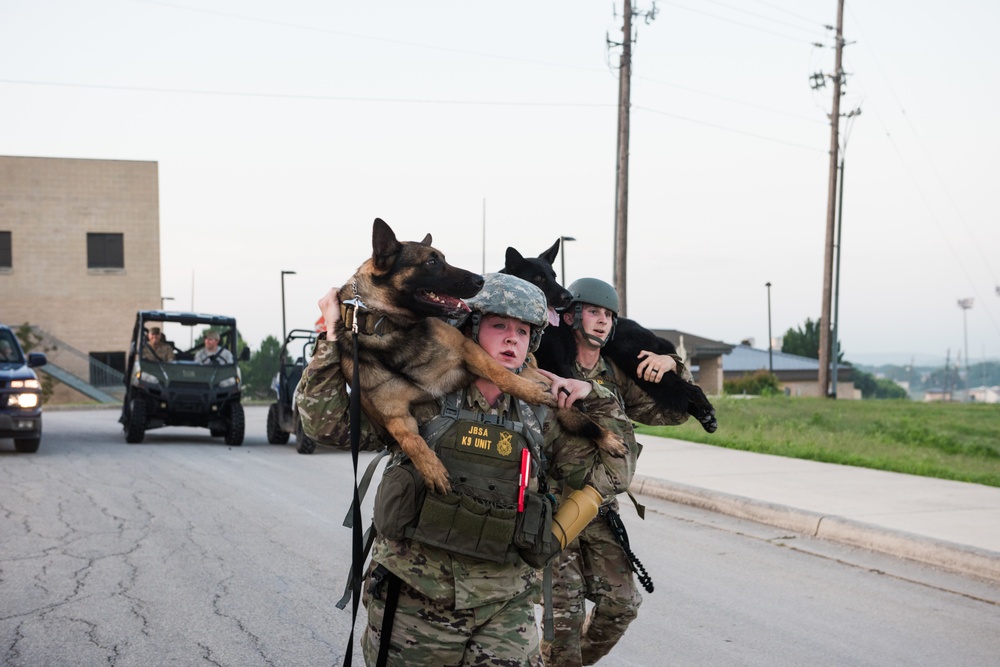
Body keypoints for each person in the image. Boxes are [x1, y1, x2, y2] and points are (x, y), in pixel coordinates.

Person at [296, 273, 634, 666]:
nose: (512, 339)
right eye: (499, 326)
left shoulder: (542, 412)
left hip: (505, 609)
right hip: (414, 601)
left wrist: (593, 394)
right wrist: (330, 340)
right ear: (471, 329)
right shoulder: (424, 392)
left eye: (523, 331)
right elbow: (326, 425)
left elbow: (615, 470)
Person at [542, 277, 692, 667]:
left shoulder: (615, 373)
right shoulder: (549, 366)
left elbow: (675, 413)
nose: (603, 321)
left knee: (621, 607)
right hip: (554, 507)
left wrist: (673, 366)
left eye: (609, 314)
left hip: (599, 509)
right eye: (593, 311)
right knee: (565, 616)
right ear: (573, 316)